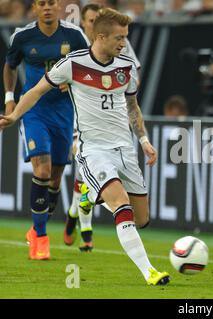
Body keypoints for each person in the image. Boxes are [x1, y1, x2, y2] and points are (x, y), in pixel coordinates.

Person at [0, 8, 170, 286]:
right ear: (100, 36)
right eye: (119, 37)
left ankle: (88, 197)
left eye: (126, 37)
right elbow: (35, 91)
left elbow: (132, 107)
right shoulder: (72, 64)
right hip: (94, 151)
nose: (124, 43)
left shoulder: (126, 66)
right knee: (121, 205)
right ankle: (149, 271)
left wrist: (144, 140)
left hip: (125, 150)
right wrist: (14, 115)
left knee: (142, 220)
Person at [2, 0, 89, 260]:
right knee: (41, 168)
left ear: (59, 6)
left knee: (55, 177)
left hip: (64, 112)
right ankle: (40, 238)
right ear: (35, 9)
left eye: (52, 2)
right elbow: (10, 65)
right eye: (42, 3)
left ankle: (36, 228)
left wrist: (73, 83)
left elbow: (88, 68)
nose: (48, 7)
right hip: (35, 111)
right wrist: (10, 97)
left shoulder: (75, 36)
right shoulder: (23, 36)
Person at [63, 2, 142, 252]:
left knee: (88, 178)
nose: (92, 22)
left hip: (110, 124)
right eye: (89, 20)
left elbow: (133, 76)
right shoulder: (75, 46)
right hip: (78, 119)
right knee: (83, 168)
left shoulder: (118, 45)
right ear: (85, 24)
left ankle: (79, 213)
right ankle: (84, 228)